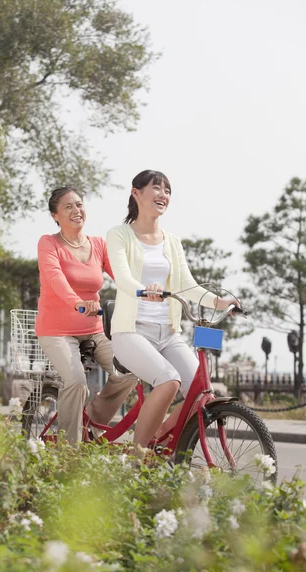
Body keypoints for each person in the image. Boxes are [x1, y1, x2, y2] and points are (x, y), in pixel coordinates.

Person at [106, 170, 240, 452]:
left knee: (203, 393)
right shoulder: (119, 235)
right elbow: (123, 277)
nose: (163, 195)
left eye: (167, 190)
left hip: (168, 334)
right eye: (156, 188)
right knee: (168, 379)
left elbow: (187, 285)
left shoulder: (172, 241)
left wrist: (220, 302)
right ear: (136, 193)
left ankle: (162, 441)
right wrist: (144, 290)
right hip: (131, 331)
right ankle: (136, 456)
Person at [35, 186, 138, 445]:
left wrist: (145, 294)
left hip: (92, 329)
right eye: (68, 206)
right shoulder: (48, 243)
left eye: (79, 204)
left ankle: (90, 425)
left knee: (129, 372)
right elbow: (55, 278)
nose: (76, 210)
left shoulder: (98, 245)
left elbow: (122, 277)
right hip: (56, 331)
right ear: (54, 215)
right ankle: (69, 451)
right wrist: (77, 302)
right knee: (77, 381)